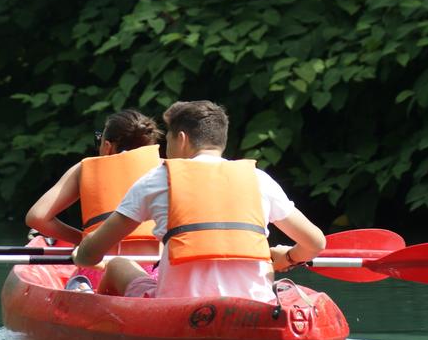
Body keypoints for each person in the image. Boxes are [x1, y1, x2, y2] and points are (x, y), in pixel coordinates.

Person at [72, 100, 326, 301]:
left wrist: (81, 250)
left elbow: (89, 256)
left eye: (168, 138)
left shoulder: (158, 179)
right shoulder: (258, 179)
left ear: (181, 139)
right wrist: (289, 257)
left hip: (177, 306)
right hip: (255, 303)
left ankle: (105, 325)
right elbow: (315, 242)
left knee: (118, 264)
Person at [26, 109, 164, 289]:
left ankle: (83, 291)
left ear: (107, 146)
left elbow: (36, 217)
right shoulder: (165, 170)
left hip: (98, 271)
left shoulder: (83, 169)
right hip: (152, 274)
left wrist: (86, 241)